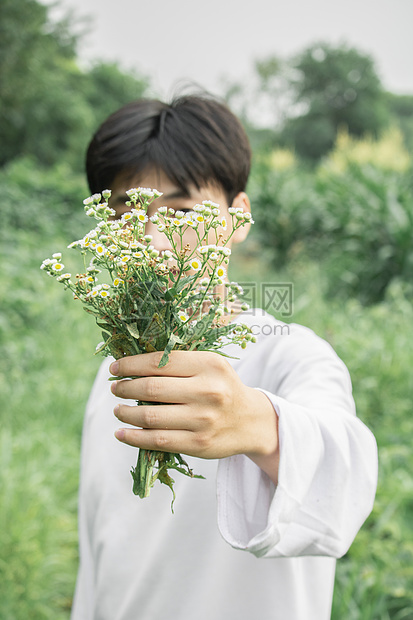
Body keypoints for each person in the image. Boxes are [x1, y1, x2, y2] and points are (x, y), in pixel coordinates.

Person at [71, 94, 378, 620]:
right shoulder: (115, 366)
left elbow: (345, 478)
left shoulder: (291, 351)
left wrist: (259, 423)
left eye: (182, 212)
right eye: (127, 213)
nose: (154, 239)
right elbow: (100, 544)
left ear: (238, 218)